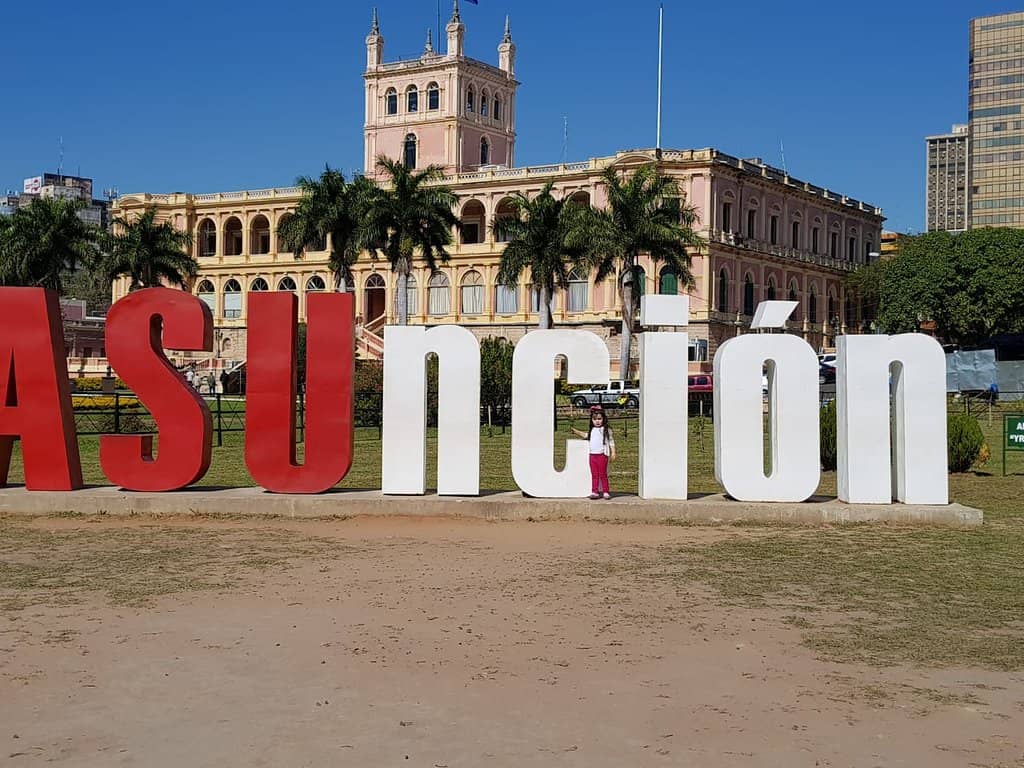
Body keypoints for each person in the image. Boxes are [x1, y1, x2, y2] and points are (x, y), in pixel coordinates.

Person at [571, 405, 616, 499]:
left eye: (599, 419)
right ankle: (594, 491)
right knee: (594, 474)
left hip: (602, 455)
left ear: (603, 419)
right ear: (592, 420)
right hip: (592, 456)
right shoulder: (592, 430)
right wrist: (576, 432)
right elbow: (586, 435)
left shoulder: (607, 430)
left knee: (603, 474)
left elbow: (611, 441)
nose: (597, 421)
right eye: (595, 419)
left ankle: (606, 491)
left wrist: (613, 452)